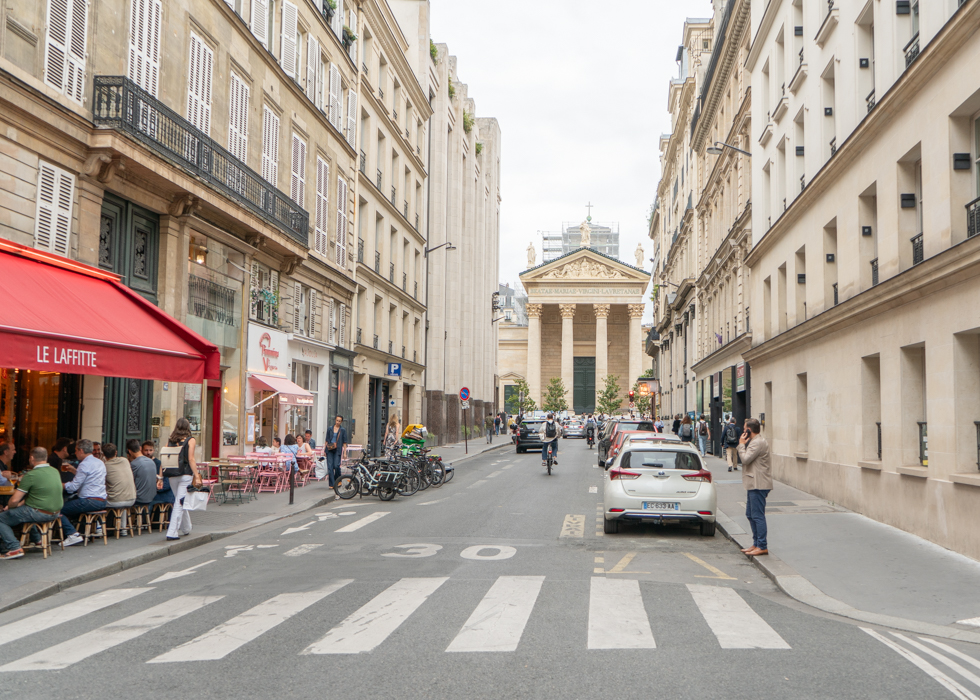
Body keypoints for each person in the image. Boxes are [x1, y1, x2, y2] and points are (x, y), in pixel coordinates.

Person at [0, 447, 63, 559]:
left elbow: (14, 500)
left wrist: (9, 508)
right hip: (55, 513)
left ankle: (14, 548)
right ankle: (37, 540)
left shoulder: (31, 475)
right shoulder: (55, 471)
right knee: (23, 512)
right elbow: (33, 497)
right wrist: (16, 507)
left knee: (2, 518)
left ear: (32, 458)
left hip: (39, 512)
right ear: (46, 457)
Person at [59, 439, 108, 547]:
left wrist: (59, 484)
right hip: (102, 500)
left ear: (81, 450)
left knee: (57, 509)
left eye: (76, 450)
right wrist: (74, 471)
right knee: (71, 504)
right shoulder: (99, 462)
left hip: (88, 501)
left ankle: (72, 534)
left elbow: (73, 487)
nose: (75, 453)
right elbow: (89, 478)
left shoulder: (84, 464)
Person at [737, 418, 772, 556]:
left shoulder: (757, 443)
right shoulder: (756, 441)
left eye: (745, 428)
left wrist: (741, 445)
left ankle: (762, 545)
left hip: (758, 484)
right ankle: (756, 543)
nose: (743, 430)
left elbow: (745, 459)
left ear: (748, 430)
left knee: (757, 515)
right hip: (754, 483)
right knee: (750, 514)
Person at [164, 418, 202, 542]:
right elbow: (191, 459)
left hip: (172, 474)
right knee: (179, 503)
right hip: (185, 474)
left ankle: (186, 527)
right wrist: (196, 475)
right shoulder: (190, 440)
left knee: (179, 500)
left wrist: (160, 477)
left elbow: (164, 458)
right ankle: (172, 532)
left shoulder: (170, 441)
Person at [103, 443, 137, 535]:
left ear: (103, 455)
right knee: (123, 497)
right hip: (132, 499)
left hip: (116, 501)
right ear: (116, 452)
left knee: (97, 502)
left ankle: (99, 527)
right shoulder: (125, 460)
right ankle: (123, 528)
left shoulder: (105, 466)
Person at [127, 439, 158, 510]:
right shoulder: (152, 462)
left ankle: (122, 521)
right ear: (140, 448)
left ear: (129, 451)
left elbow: (130, 481)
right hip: (151, 497)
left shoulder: (134, 464)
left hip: (139, 498)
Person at [324, 415, 349, 488]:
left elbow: (344, 442)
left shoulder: (342, 430)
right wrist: (324, 450)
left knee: (336, 465)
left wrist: (344, 453)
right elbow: (326, 440)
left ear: (341, 422)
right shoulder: (330, 429)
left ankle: (338, 480)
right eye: (337, 420)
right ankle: (332, 484)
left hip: (337, 449)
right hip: (329, 449)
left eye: (339, 421)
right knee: (330, 467)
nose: (337, 422)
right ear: (335, 420)